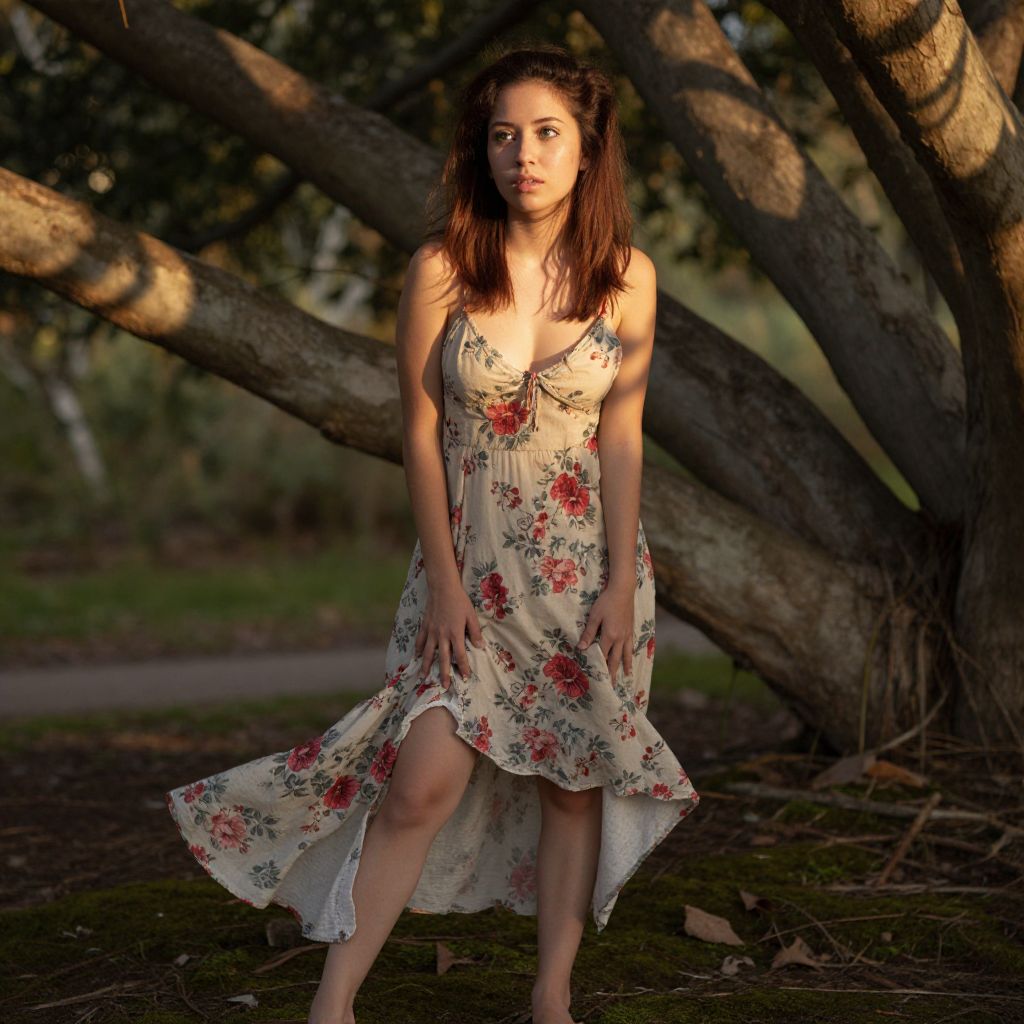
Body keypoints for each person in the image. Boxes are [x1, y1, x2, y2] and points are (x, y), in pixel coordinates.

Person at [165, 42, 698, 1024]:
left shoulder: (628, 278)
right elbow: (416, 432)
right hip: (472, 581)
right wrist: (446, 584)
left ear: (587, 149)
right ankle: (334, 1003)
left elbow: (618, 437)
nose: (522, 155)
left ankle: (550, 997)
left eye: (545, 134)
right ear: (481, 150)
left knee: (574, 789)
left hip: (585, 579)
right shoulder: (445, 268)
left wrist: (624, 580)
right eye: (503, 135)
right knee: (420, 782)